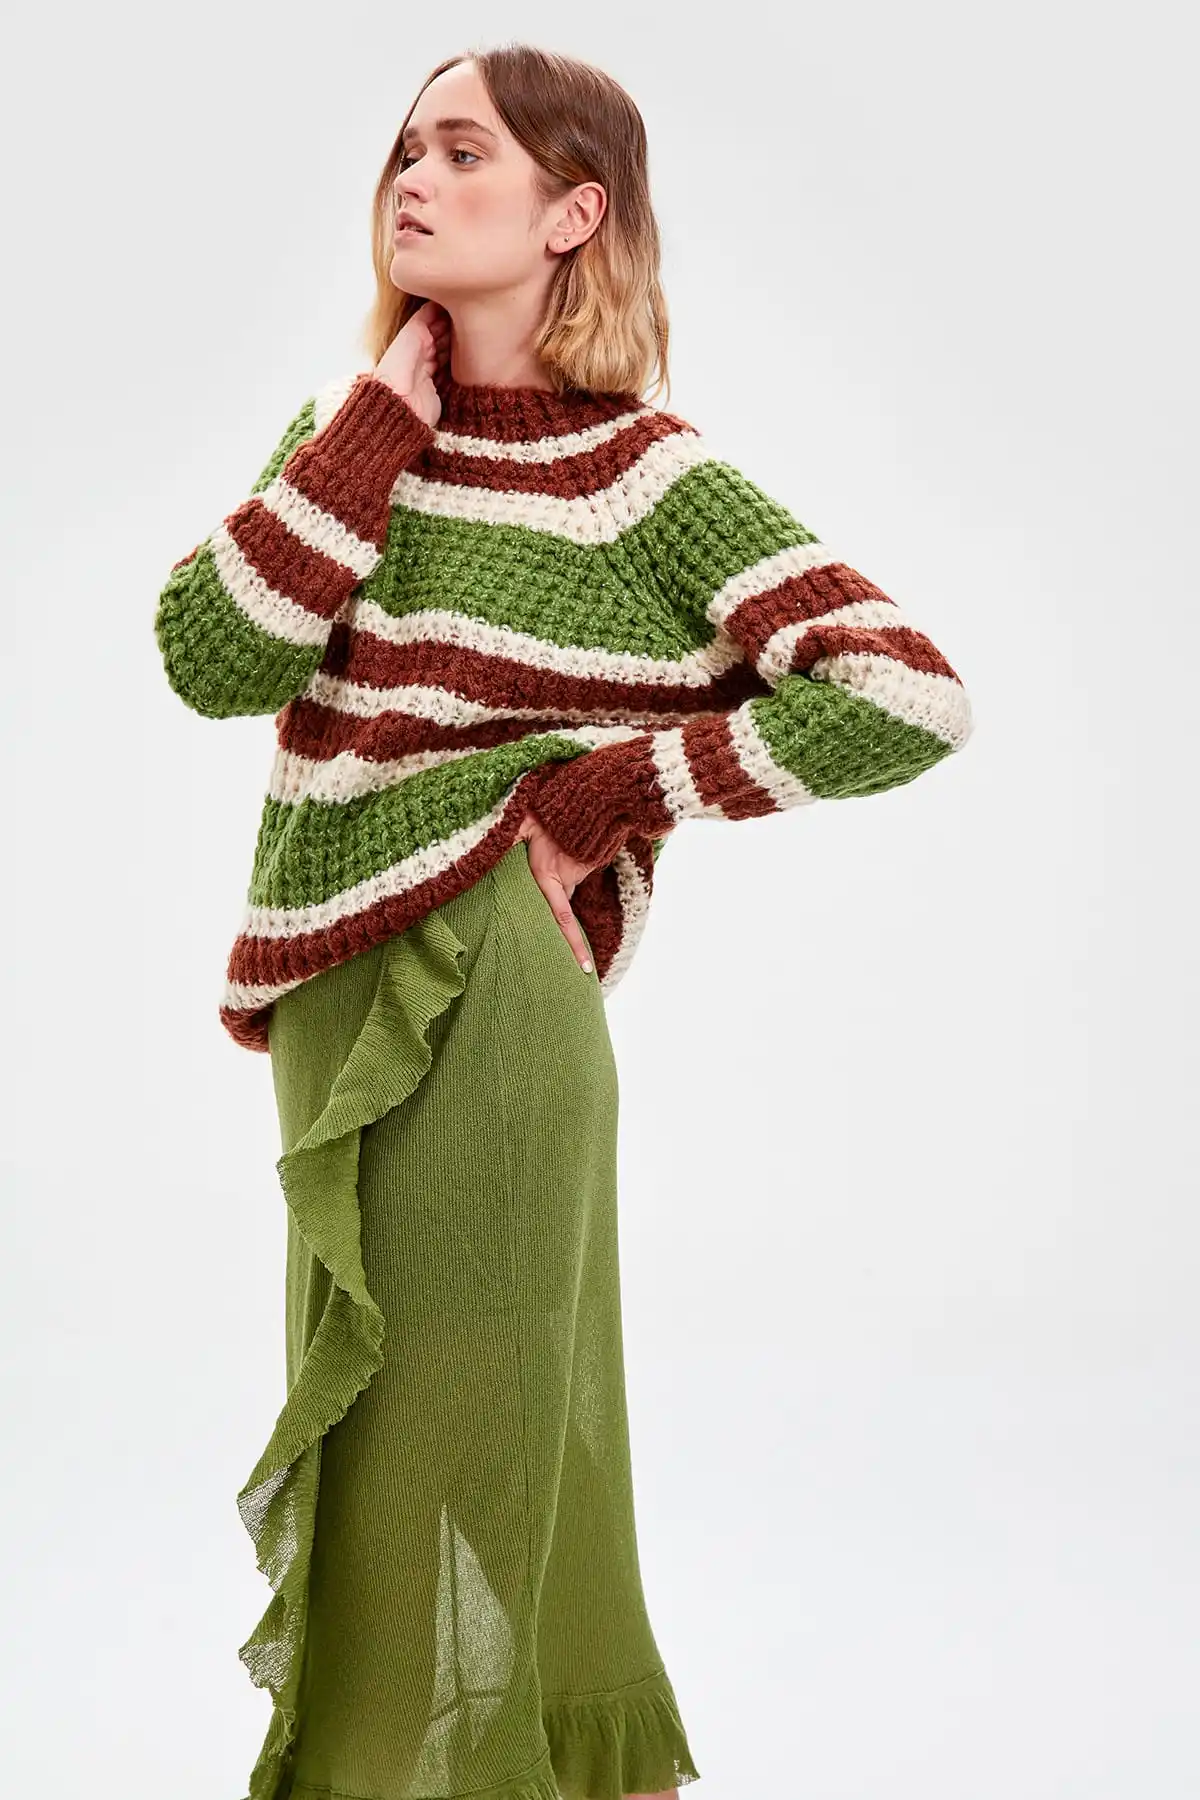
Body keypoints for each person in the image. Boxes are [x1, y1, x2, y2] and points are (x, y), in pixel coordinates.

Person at [153, 40, 974, 1800]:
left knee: (494, 1432)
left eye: (465, 150)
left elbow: (905, 692)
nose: (414, 176)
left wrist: (610, 797)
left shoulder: (639, 473)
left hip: (493, 993)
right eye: (405, 148)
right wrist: (376, 427)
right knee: (385, 1431)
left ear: (572, 213)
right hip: (328, 993)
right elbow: (211, 659)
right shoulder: (347, 440)